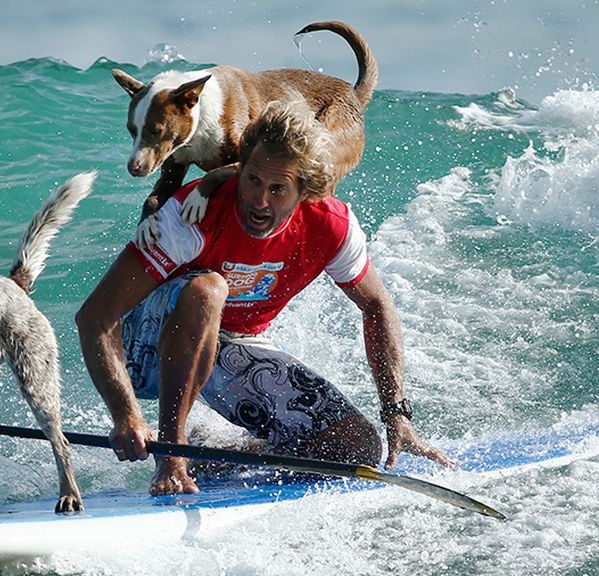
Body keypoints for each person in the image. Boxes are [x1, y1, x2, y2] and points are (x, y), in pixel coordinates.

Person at [76, 101, 455, 495]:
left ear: (304, 190)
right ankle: (173, 454)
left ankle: (214, 455)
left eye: (277, 190)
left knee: (355, 449)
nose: (259, 201)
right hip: (149, 348)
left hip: (233, 345)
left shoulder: (332, 227)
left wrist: (396, 415)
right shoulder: (192, 217)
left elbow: (377, 306)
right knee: (208, 290)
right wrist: (125, 414)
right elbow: (95, 317)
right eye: (253, 180)